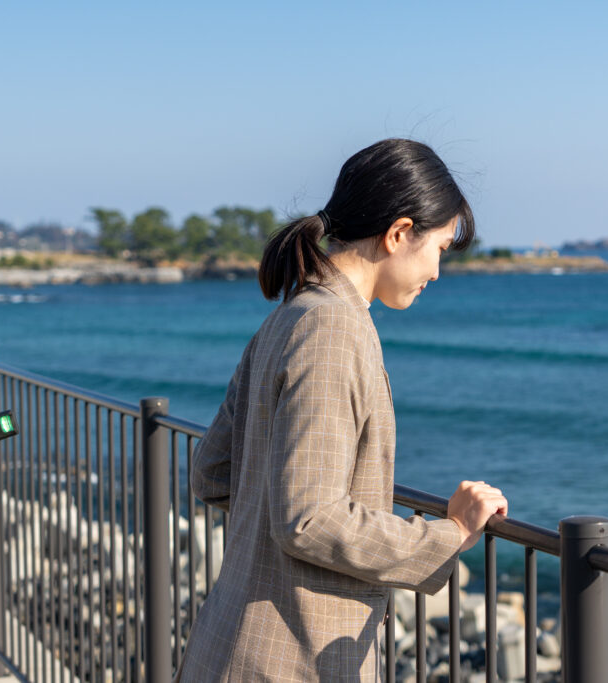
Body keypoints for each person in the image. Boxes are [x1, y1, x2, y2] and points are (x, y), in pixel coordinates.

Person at [176, 138, 509, 682]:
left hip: (230, 642)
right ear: (400, 233)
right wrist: (448, 534)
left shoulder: (292, 311)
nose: (438, 273)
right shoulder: (333, 329)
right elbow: (309, 519)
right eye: (441, 250)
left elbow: (212, 472)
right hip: (286, 660)